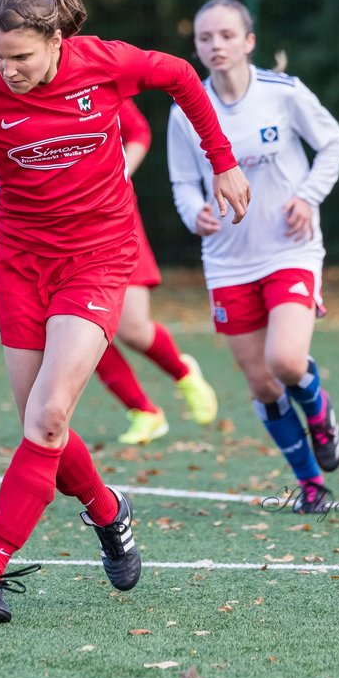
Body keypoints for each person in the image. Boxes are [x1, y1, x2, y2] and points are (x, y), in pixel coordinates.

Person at [0, 0, 250, 623]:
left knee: (48, 417)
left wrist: (223, 161)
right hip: (20, 265)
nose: (9, 69)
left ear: (57, 40)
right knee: (40, 423)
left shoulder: (104, 62)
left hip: (102, 256)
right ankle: (110, 513)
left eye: (21, 56)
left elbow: (183, 78)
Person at [168, 0, 339, 515]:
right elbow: (182, 180)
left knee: (286, 361)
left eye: (226, 35)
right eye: (205, 38)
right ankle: (311, 483)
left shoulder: (282, 93)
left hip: (289, 248)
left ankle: (320, 413)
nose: (215, 45)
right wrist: (193, 212)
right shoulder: (186, 110)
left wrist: (307, 196)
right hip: (227, 258)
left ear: (249, 42)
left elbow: (333, 142)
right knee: (262, 382)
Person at [95, 100, 218, 445]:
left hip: (114, 227)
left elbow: (138, 131)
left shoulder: (93, 72)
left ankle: (183, 372)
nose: (12, 66)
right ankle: (143, 411)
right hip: (56, 242)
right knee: (75, 333)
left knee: (132, 329)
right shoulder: (12, 88)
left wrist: (118, 174)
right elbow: (1, 169)